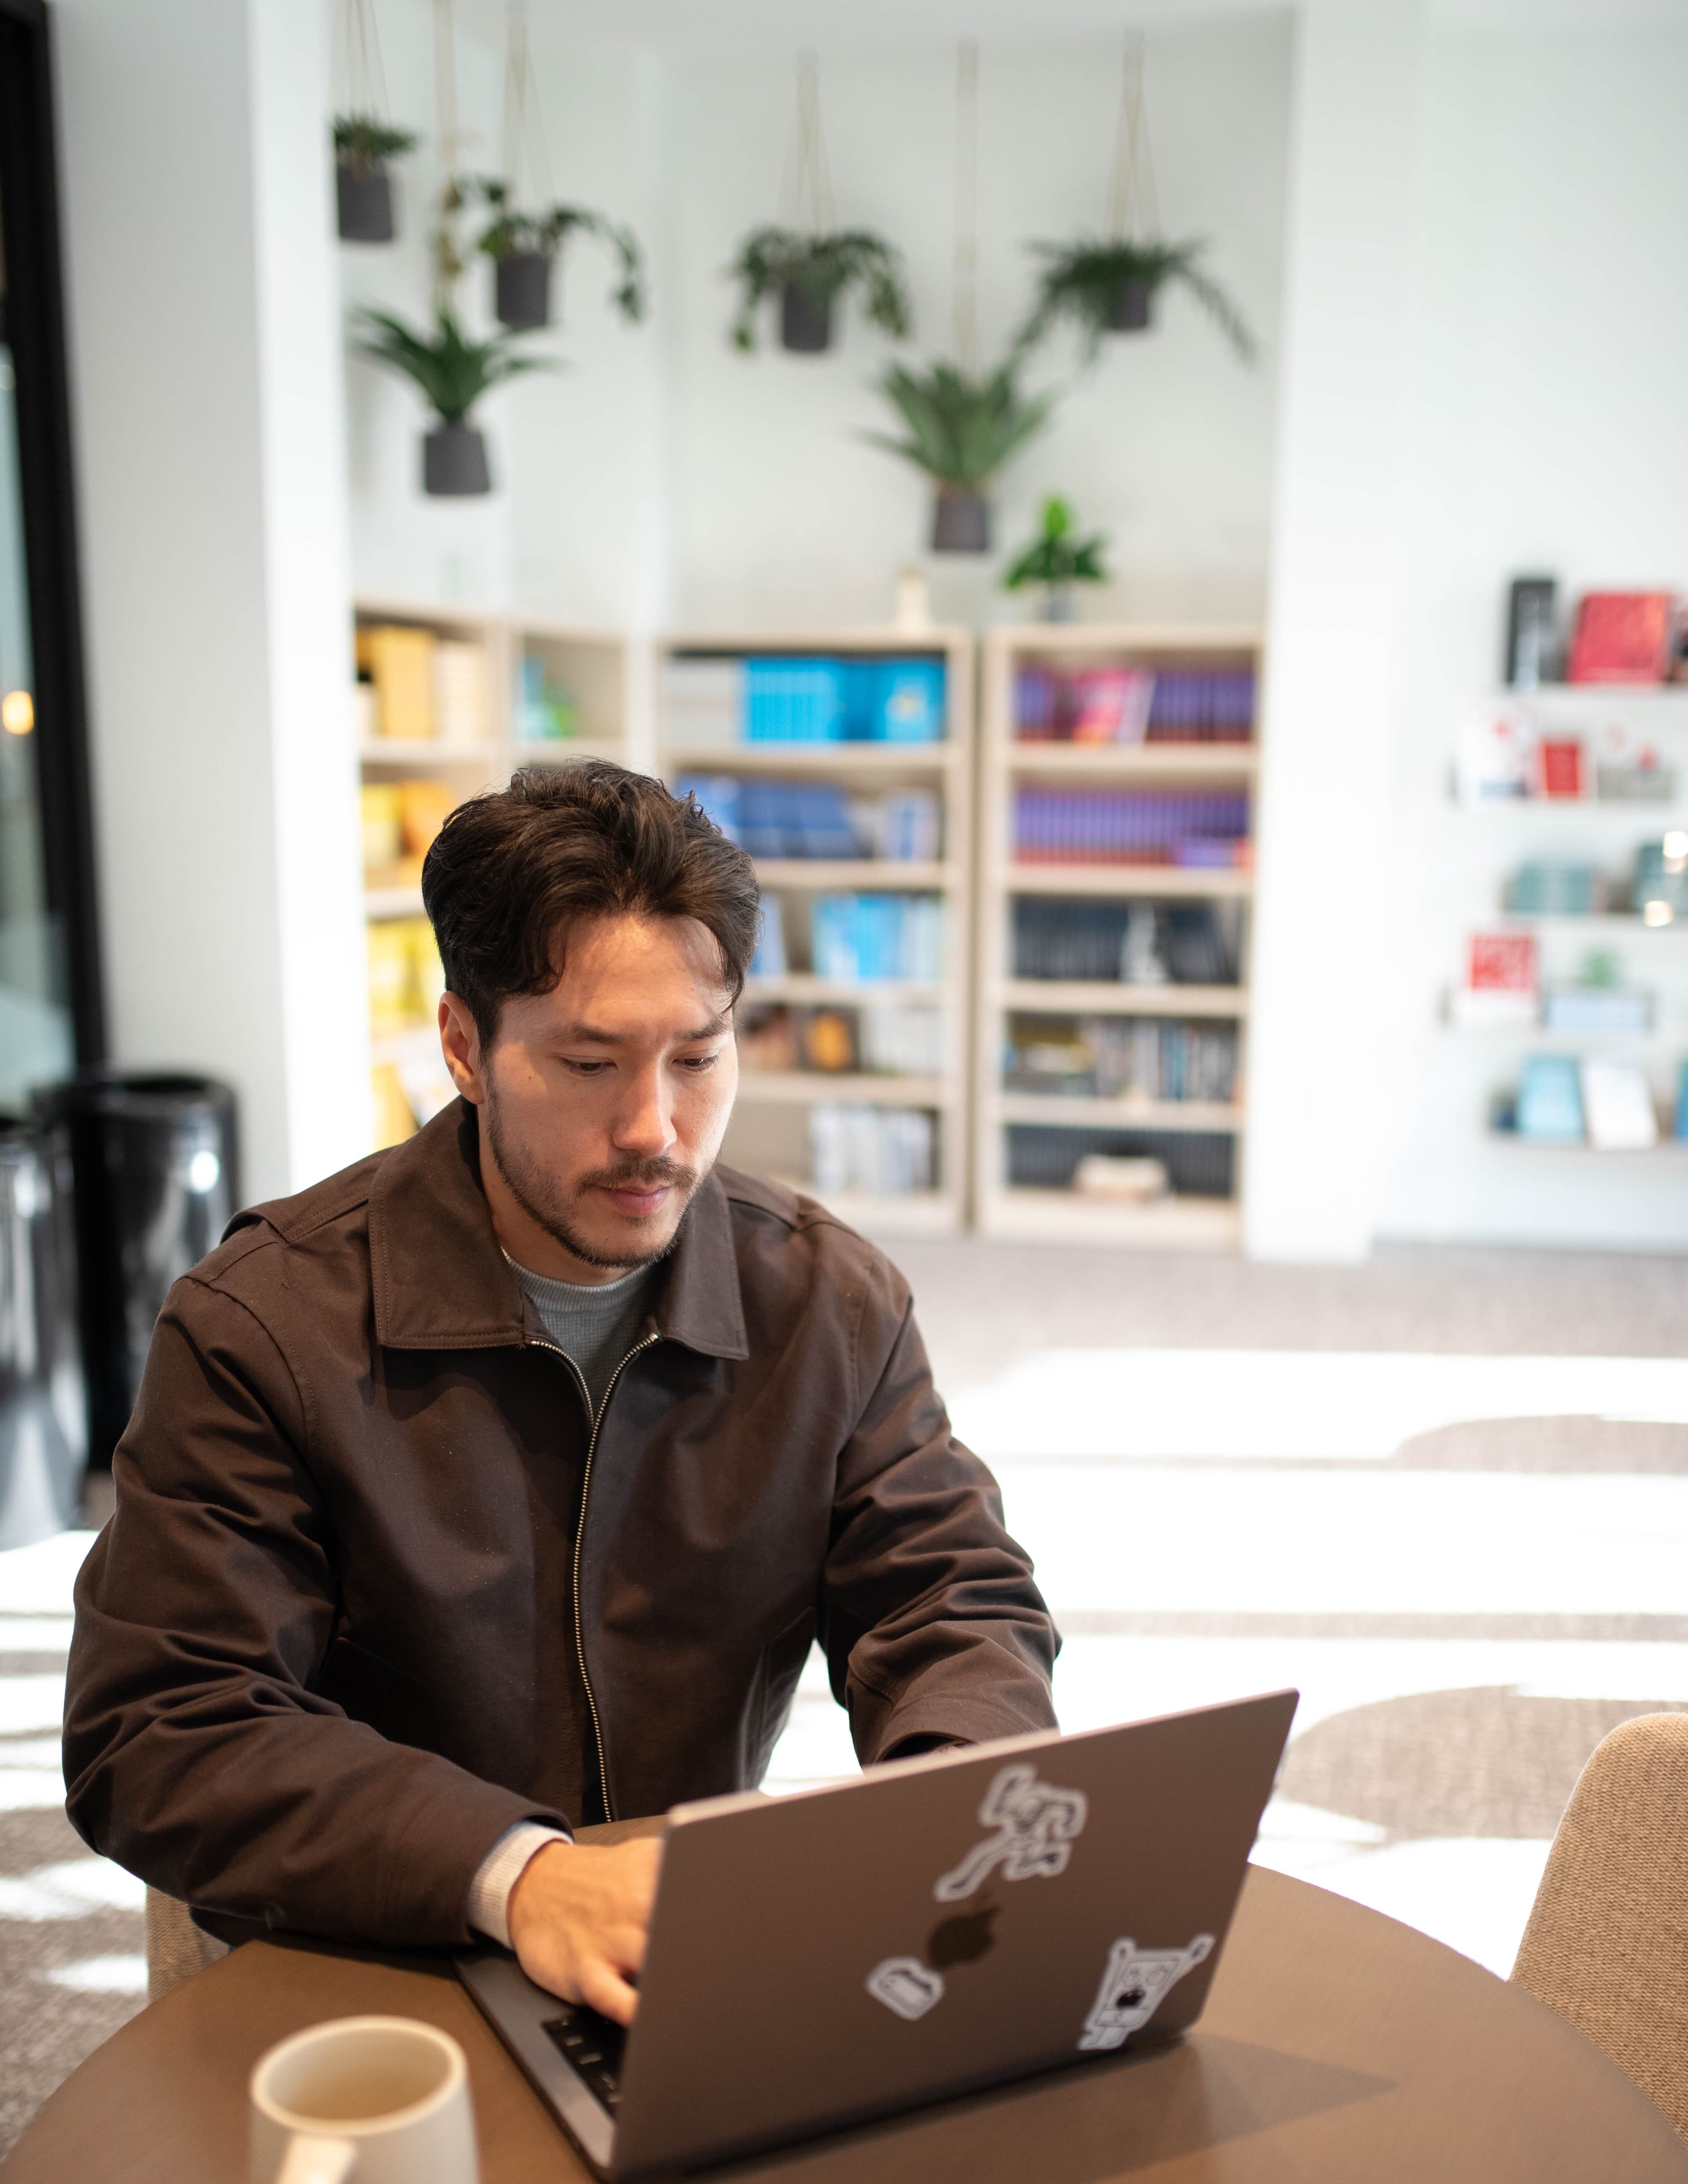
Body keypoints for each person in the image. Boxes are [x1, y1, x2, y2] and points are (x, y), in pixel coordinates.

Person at [63, 762, 1058, 2025]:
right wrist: (516, 1873)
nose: (656, 1129)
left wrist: (944, 1798)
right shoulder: (261, 1325)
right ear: (465, 1048)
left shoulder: (828, 1302)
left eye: (697, 1058)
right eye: (589, 1064)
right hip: (353, 1938)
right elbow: (162, 1726)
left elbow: (951, 1595)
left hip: (659, 1941)